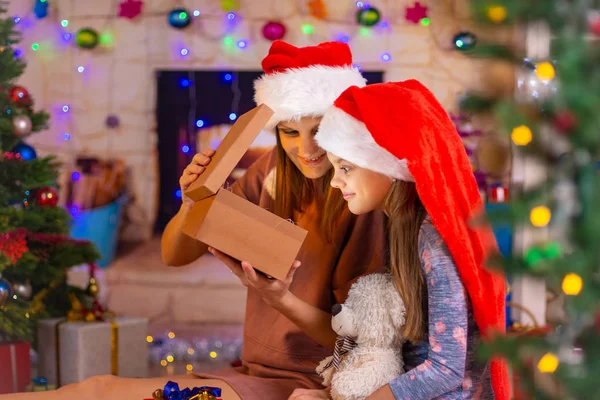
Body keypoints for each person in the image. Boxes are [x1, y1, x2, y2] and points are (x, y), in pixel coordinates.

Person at [2, 41, 387, 400]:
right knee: (97, 387)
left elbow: (360, 343)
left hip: (312, 382)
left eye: (317, 131)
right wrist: (192, 203)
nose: (306, 150)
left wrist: (279, 299)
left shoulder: (359, 198)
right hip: (254, 370)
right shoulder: (271, 172)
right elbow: (175, 255)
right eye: (290, 133)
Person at [291, 80, 509, 399]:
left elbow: (446, 370)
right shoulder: (401, 226)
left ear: (390, 165)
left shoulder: (432, 237)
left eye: (346, 167)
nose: (335, 182)